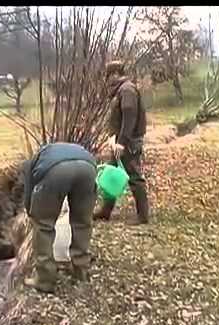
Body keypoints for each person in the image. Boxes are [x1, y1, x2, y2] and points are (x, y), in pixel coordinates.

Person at [22, 142, 98, 293]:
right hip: (88, 168)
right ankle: (81, 270)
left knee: (43, 225)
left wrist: (31, 211)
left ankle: (45, 279)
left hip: (56, 171)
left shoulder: (31, 163)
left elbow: (29, 192)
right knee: (82, 222)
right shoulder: (62, 151)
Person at [93, 60, 149, 225]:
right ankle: (105, 211)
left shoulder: (127, 90)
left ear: (116, 74)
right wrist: (112, 136)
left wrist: (122, 142)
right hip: (120, 140)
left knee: (134, 177)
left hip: (128, 142)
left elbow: (129, 116)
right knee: (111, 175)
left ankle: (143, 216)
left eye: (109, 76)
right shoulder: (121, 90)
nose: (107, 80)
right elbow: (117, 118)